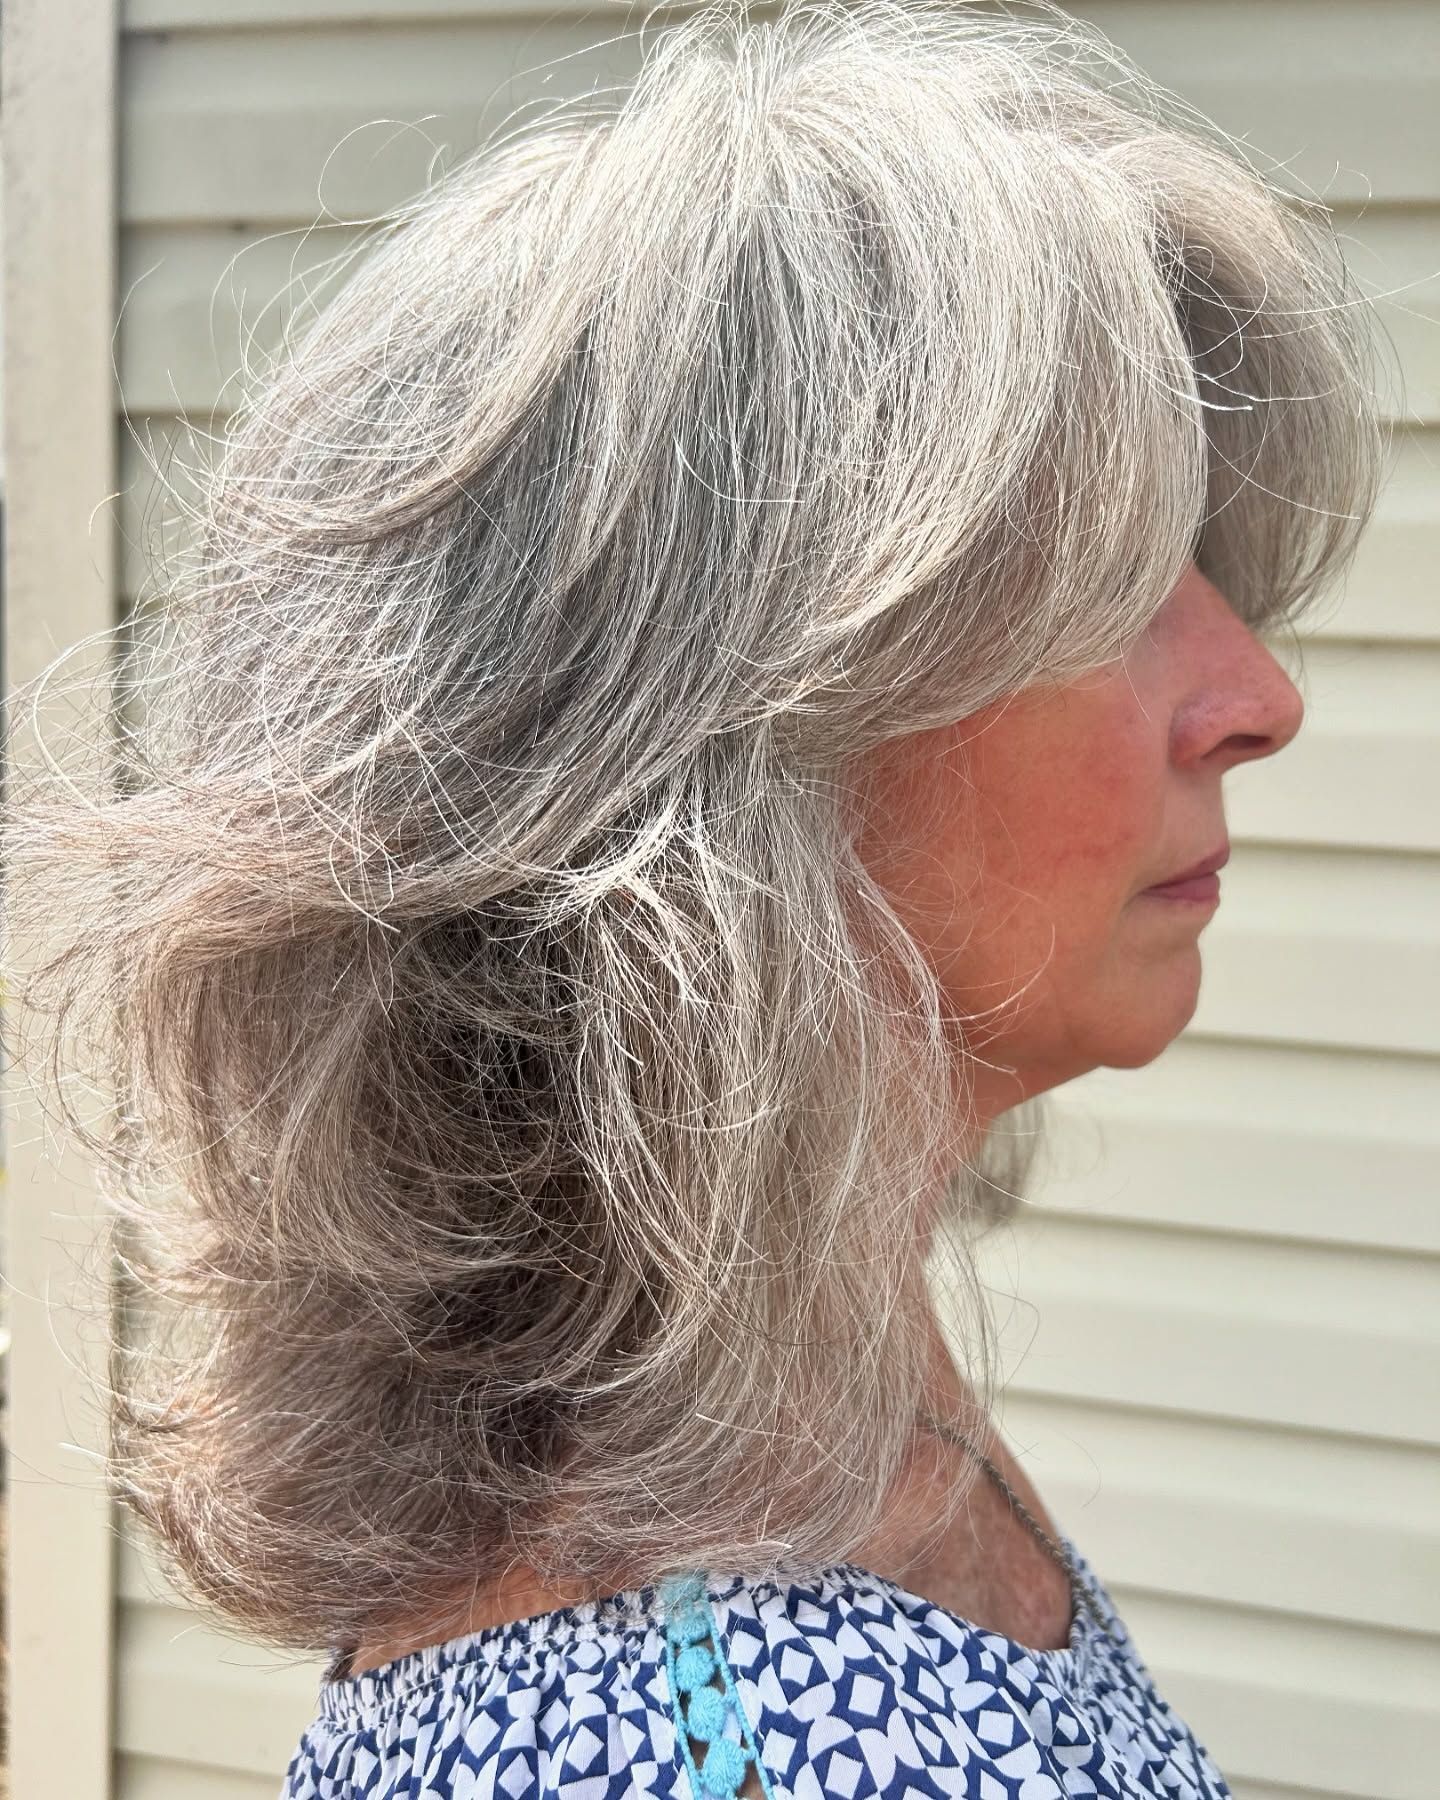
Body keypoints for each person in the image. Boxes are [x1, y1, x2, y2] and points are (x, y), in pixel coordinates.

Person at [0, 0, 1386, 1795]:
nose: (1259, 697)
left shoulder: (798, 1422)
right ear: (718, 772)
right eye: (1115, 582)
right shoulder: (715, 1745)